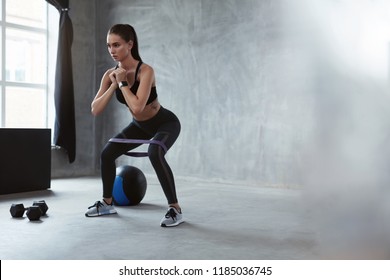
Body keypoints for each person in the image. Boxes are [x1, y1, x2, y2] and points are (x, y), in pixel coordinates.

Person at [85, 24, 183, 227]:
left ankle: (175, 209)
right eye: (109, 46)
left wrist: (122, 84)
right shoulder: (110, 75)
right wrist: (113, 84)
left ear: (130, 44)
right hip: (139, 126)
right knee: (107, 153)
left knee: (155, 152)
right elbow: (95, 109)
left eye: (117, 45)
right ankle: (107, 203)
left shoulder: (145, 71)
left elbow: (138, 107)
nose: (112, 50)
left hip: (164, 123)